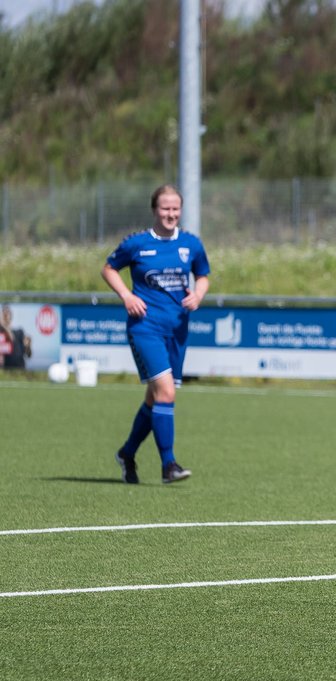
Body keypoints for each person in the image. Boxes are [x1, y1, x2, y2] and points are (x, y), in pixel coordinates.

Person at [101, 184, 210, 484]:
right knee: (166, 393)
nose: (170, 214)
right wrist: (126, 295)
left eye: (175, 208)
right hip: (145, 327)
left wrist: (198, 295)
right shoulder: (136, 244)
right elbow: (109, 269)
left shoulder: (191, 244)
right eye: (165, 208)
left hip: (177, 330)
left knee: (154, 399)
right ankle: (168, 465)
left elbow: (203, 276)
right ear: (154, 210)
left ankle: (127, 453)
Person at [0, 304, 33, 369]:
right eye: (4, 314)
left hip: (19, 369)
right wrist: (3, 325)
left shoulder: (19, 332)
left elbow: (28, 355)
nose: (5, 316)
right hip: (5, 370)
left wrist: (28, 346)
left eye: (7, 313)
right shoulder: (1, 332)